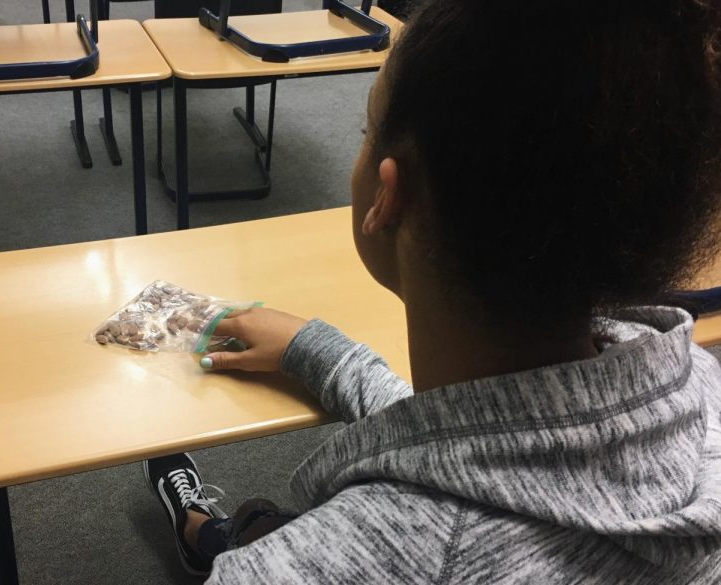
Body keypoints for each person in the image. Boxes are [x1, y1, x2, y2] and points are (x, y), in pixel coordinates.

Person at [144, 1, 721, 582]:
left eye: (368, 131)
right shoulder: (702, 390)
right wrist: (316, 351)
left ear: (387, 196)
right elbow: (496, 444)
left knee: (247, 535)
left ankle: (206, 533)